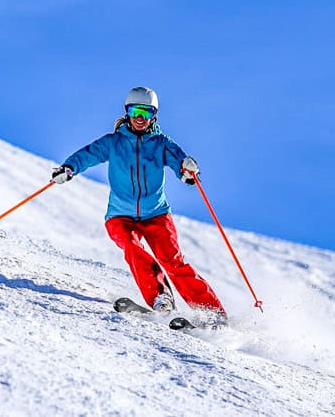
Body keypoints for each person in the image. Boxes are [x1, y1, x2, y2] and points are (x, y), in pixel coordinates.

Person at [51, 86, 226, 320]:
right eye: (135, 111)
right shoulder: (113, 142)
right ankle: (161, 298)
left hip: (156, 214)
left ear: (154, 115)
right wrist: (69, 168)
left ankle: (212, 312)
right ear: (127, 112)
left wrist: (186, 171)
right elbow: (88, 154)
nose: (140, 118)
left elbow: (179, 162)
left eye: (146, 112)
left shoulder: (161, 143)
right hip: (120, 216)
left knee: (172, 261)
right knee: (132, 248)